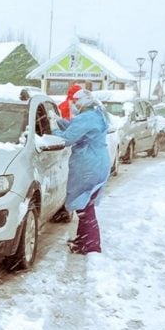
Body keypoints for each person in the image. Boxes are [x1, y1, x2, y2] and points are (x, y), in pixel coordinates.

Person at [53, 89, 110, 254]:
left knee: (84, 206)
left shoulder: (87, 117)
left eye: (75, 102)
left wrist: (53, 128)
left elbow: (67, 138)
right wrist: (60, 121)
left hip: (89, 164)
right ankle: (83, 240)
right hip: (97, 161)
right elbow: (75, 129)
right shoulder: (95, 114)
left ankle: (91, 245)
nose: (74, 105)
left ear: (83, 102)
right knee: (86, 203)